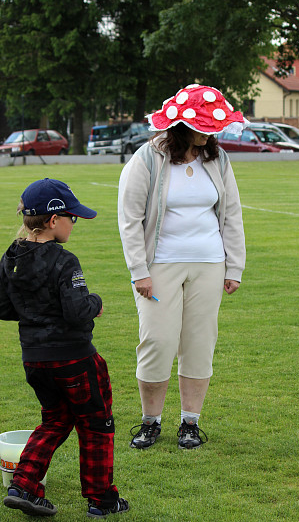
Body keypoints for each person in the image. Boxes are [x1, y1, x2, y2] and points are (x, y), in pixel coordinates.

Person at [118, 84, 248, 450]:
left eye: (211, 127)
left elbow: (232, 214)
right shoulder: (147, 158)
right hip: (158, 267)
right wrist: (138, 270)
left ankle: (190, 423)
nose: (208, 133)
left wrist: (233, 266)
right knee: (157, 341)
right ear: (178, 125)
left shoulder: (217, 160)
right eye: (201, 126)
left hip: (209, 264)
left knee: (199, 342)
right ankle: (150, 422)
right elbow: (129, 218)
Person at [0, 178, 129, 518]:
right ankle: (102, 499)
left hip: (35, 361)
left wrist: (35, 313)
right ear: (53, 220)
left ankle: (23, 486)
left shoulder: (11, 257)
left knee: (55, 421)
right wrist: (95, 302)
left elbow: (2, 307)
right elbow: (76, 312)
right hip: (74, 358)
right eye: (71, 217)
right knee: (96, 423)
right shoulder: (64, 261)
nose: (75, 223)